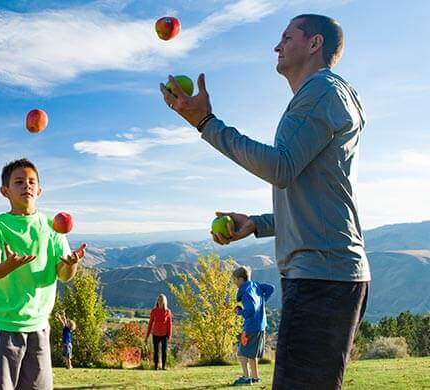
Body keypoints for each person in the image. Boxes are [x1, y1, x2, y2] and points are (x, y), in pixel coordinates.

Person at [161, 14, 370, 389]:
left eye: (287, 37)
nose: (277, 46)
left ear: (314, 44)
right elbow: (319, 196)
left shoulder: (321, 91)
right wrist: (259, 223)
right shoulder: (330, 95)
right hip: (326, 273)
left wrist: (205, 122)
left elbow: (281, 167)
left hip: (320, 278)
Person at [0, 158, 87, 390]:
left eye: (32, 181)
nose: (27, 185)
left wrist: (72, 264)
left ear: (40, 190)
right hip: (2, 324)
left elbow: (64, 275)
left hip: (39, 327)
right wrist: (10, 264)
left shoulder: (52, 226)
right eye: (19, 181)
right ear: (5, 191)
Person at [231, 266, 275, 386]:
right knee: (252, 354)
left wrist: (239, 312)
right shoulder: (256, 286)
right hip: (261, 325)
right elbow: (271, 288)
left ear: (240, 279)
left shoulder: (245, 293)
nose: (234, 282)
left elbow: (250, 311)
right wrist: (262, 301)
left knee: (241, 353)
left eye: (234, 279)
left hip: (251, 327)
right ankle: (255, 378)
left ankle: (246, 378)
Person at [145, 294, 173, 370]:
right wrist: (147, 335)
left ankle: (164, 366)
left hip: (164, 334)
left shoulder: (168, 311)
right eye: (159, 300)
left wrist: (169, 335)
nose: (160, 301)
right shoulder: (154, 311)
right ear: (157, 301)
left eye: (161, 300)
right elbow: (150, 323)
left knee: (164, 352)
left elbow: (169, 324)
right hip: (155, 334)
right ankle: (156, 366)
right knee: (156, 351)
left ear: (164, 301)